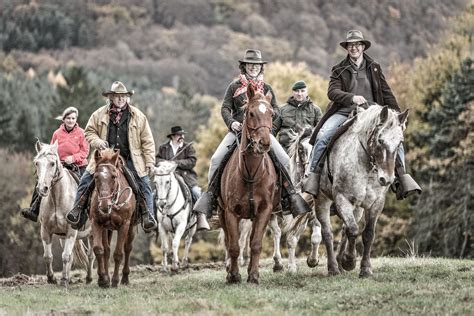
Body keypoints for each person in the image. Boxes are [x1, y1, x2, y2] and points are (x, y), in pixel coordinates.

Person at [303, 30, 421, 199]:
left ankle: (401, 177)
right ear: (347, 48)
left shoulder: (374, 67)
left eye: (357, 44)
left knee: (394, 138)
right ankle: (313, 177)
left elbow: (386, 92)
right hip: (344, 111)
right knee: (322, 135)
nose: (354, 48)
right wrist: (351, 98)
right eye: (351, 45)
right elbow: (332, 92)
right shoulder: (339, 69)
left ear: (363, 47)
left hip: (372, 114)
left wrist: (396, 114)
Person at [194, 49, 311, 217]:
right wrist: (232, 123)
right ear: (245, 66)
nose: (253, 67)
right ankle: (211, 199)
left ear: (260, 67)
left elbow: (276, 109)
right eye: (250, 64)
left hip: (261, 132)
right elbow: (225, 108)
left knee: (284, 159)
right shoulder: (234, 86)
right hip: (238, 133)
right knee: (215, 160)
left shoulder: (267, 88)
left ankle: (289, 198)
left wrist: (269, 119)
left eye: (256, 65)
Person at [66, 81, 157, 231]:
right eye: (117, 96)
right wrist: (98, 142)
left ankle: (148, 216)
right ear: (111, 98)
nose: (121, 99)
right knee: (85, 180)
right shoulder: (99, 114)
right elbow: (89, 132)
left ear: (127, 97)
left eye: (124, 96)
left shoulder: (139, 116)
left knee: (144, 184)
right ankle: (78, 211)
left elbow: (148, 141)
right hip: (104, 158)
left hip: (130, 159)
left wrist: (149, 162)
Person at [20, 106, 89, 222]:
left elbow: (85, 151)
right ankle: (34, 210)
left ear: (76, 119)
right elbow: (51, 150)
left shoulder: (82, 133)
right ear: (63, 119)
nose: (71, 121)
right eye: (68, 118)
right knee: (41, 180)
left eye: (73, 118)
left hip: (78, 165)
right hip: (59, 165)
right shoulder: (57, 133)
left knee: (85, 185)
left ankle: (84, 214)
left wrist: (73, 158)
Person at [156, 126, 210, 231]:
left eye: (182, 134)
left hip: (186, 177)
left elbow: (192, 161)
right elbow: (157, 159)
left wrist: (176, 163)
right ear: (172, 136)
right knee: (155, 194)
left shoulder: (188, 147)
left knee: (196, 192)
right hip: (168, 177)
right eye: (179, 135)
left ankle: (201, 217)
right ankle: (153, 218)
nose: (181, 136)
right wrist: (165, 163)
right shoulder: (164, 147)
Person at [274, 80, 322, 153]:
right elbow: (273, 128)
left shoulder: (316, 110)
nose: (299, 94)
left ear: (307, 92)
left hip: (306, 151)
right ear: (293, 92)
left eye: (302, 91)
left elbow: (320, 130)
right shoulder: (282, 109)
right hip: (285, 150)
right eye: (297, 91)